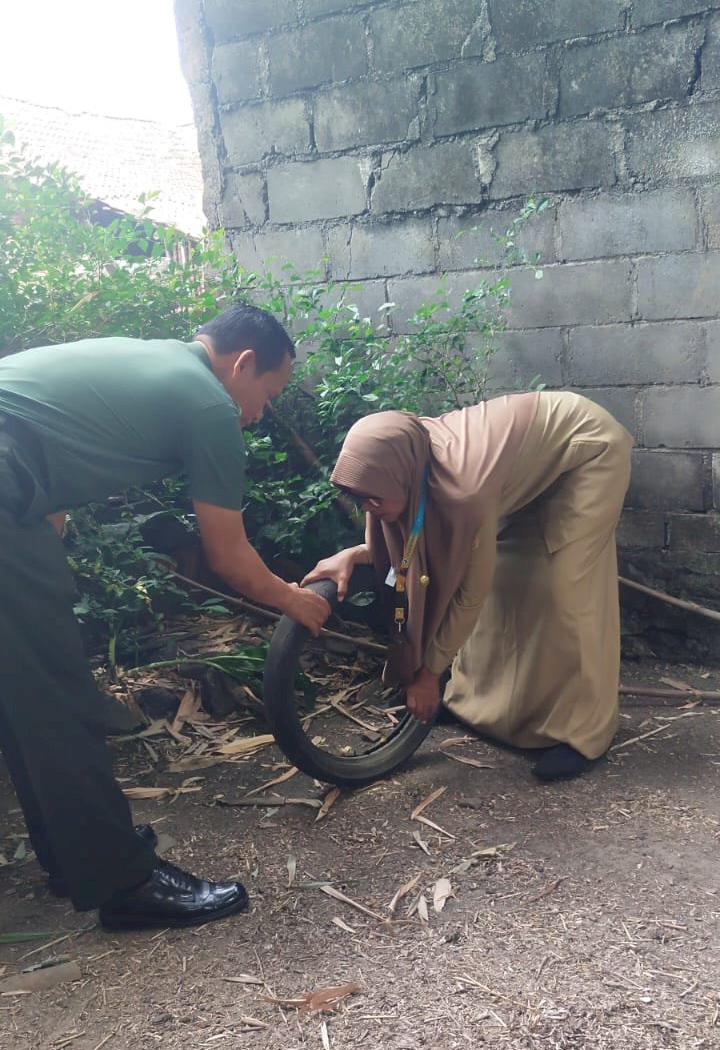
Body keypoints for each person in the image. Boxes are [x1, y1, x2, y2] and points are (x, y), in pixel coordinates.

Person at [0, 302, 330, 929]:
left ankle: (75, 857)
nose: (258, 413)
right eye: (267, 392)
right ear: (243, 363)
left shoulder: (152, 357)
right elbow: (228, 556)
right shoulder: (207, 403)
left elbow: (48, 472)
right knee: (59, 693)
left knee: (25, 690)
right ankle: (124, 885)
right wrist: (294, 599)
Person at [303, 390, 632, 782]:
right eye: (359, 499)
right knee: (503, 586)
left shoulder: (463, 492)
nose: (367, 509)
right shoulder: (406, 464)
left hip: (586, 451)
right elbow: (410, 541)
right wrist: (355, 554)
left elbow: (468, 592)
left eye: (373, 499)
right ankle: (475, 706)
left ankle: (582, 733)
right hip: (522, 471)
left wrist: (428, 675)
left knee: (565, 589)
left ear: (400, 477)